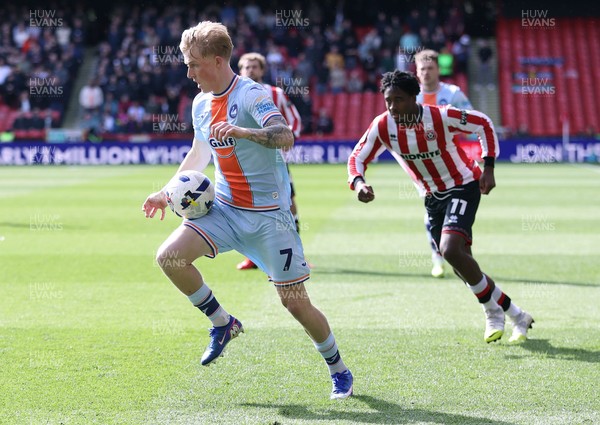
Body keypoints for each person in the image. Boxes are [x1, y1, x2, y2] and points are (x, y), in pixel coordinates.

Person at [142, 21, 353, 399]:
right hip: (223, 210)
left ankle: (338, 369)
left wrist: (243, 132)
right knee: (169, 257)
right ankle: (222, 323)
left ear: (218, 60)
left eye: (193, 64)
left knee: (295, 304)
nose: (188, 73)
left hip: (270, 219)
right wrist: (165, 192)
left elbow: (284, 136)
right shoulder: (200, 103)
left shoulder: (253, 95)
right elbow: (199, 153)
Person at [347, 70, 534, 344]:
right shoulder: (383, 126)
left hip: (463, 185)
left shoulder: (440, 116)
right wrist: (359, 183)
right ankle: (518, 315)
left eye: (398, 99)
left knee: (449, 250)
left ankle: (492, 311)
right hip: (432, 198)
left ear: (414, 97)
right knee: (463, 267)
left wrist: (489, 167)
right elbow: (356, 158)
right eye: (388, 100)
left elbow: (482, 123)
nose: (392, 106)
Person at [235, 52, 304, 271]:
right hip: (246, 164)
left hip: (275, 161)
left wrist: (287, 137)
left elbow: (294, 120)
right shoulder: (233, 94)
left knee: (288, 205)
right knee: (247, 209)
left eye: (255, 66)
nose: (250, 70)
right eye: (246, 67)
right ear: (240, 69)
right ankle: (254, 258)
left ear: (262, 70)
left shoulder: (276, 93)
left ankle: (297, 255)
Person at [415, 48, 474, 278]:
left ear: (439, 70)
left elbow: (470, 120)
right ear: (417, 72)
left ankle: (459, 252)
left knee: (457, 209)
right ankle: (437, 257)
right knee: (432, 213)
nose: (427, 72)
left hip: (452, 163)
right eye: (423, 69)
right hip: (423, 168)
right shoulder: (412, 97)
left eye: (431, 68)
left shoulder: (452, 94)